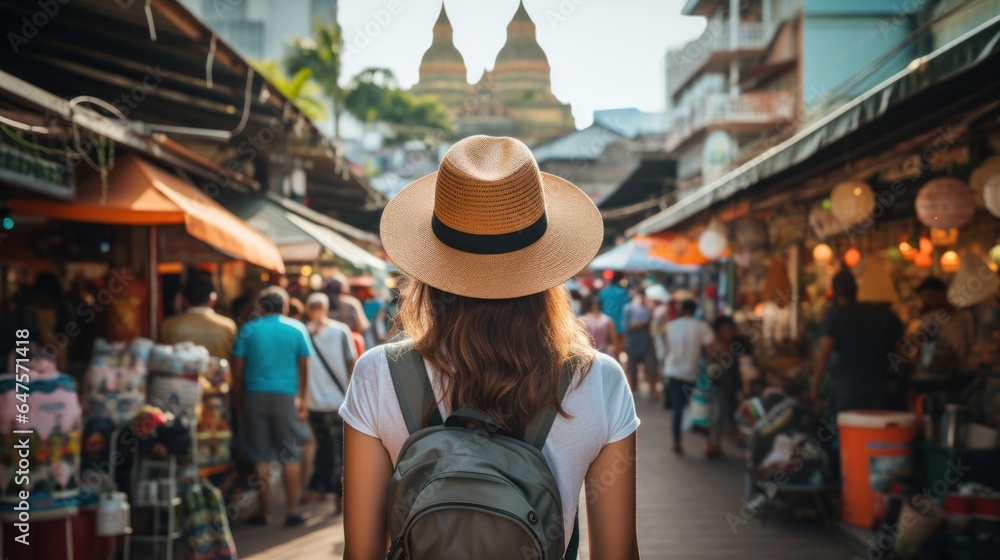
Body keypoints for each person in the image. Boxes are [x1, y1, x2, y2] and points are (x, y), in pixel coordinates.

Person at [340, 136, 639, 560]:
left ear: (431, 265)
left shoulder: (378, 374)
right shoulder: (599, 380)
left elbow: (362, 555)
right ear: (546, 261)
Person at [231, 286, 312, 527]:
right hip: (286, 396)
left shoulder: (248, 329)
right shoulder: (297, 328)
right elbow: (305, 366)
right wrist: (302, 398)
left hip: (254, 395)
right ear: (285, 307)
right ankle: (292, 511)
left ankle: (264, 513)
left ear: (260, 307)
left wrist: (239, 397)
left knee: (260, 455)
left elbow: (237, 367)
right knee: (289, 454)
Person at [810, 270, 903, 416]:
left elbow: (825, 353)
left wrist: (815, 387)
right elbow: (901, 352)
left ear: (835, 291)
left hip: (847, 391)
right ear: (856, 290)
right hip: (879, 389)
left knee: (849, 434)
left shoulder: (835, 315)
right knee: (877, 434)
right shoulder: (883, 315)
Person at [302, 292, 356, 514]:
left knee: (325, 448)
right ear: (325, 308)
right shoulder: (341, 331)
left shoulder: (302, 331)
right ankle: (337, 499)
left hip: (312, 402)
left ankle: (321, 491)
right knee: (339, 451)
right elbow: (352, 363)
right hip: (338, 401)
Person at [664, 299, 715, 455]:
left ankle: (676, 442)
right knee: (701, 406)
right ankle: (707, 443)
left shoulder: (671, 326)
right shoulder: (701, 326)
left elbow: (668, 348)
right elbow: (710, 348)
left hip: (673, 371)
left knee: (678, 408)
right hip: (693, 373)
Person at [160, 274, 238, 360]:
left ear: (185, 300)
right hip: (218, 373)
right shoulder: (228, 325)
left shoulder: (168, 325)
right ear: (212, 298)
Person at [914, 276, 975, 373]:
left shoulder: (964, 316)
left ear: (942, 294)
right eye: (924, 297)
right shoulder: (930, 318)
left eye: (929, 296)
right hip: (934, 371)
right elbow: (922, 345)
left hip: (960, 369)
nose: (927, 301)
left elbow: (970, 342)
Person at [623, 290, 657, 395]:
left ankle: (652, 392)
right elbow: (626, 327)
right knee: (632, 370)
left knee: (650, 369)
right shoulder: (629, 308)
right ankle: (633, 391)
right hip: (633, 343)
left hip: (647, 343)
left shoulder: (650, 308)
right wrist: (645, 324)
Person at [599, 273, 630, 354]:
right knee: (618, 350)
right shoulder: (624, 292)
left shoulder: (603, 292)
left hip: (605, 324)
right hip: (620, 325)